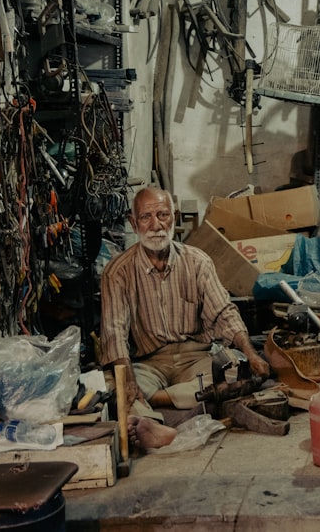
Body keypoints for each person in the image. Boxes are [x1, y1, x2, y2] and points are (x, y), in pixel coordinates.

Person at [100, 186, 271, 450]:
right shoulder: (117, 273)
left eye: (163, 215)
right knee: (115, 385)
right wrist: (130, 382)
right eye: (146, 217)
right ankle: (156, 417)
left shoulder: (197, 261)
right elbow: (114, 333)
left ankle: (154, 404)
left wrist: (250, 353)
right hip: (148, 363)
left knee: (236, 370)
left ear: (174, 217)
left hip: (195, 358)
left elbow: (224, 312)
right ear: (134, 224)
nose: (156, 225)